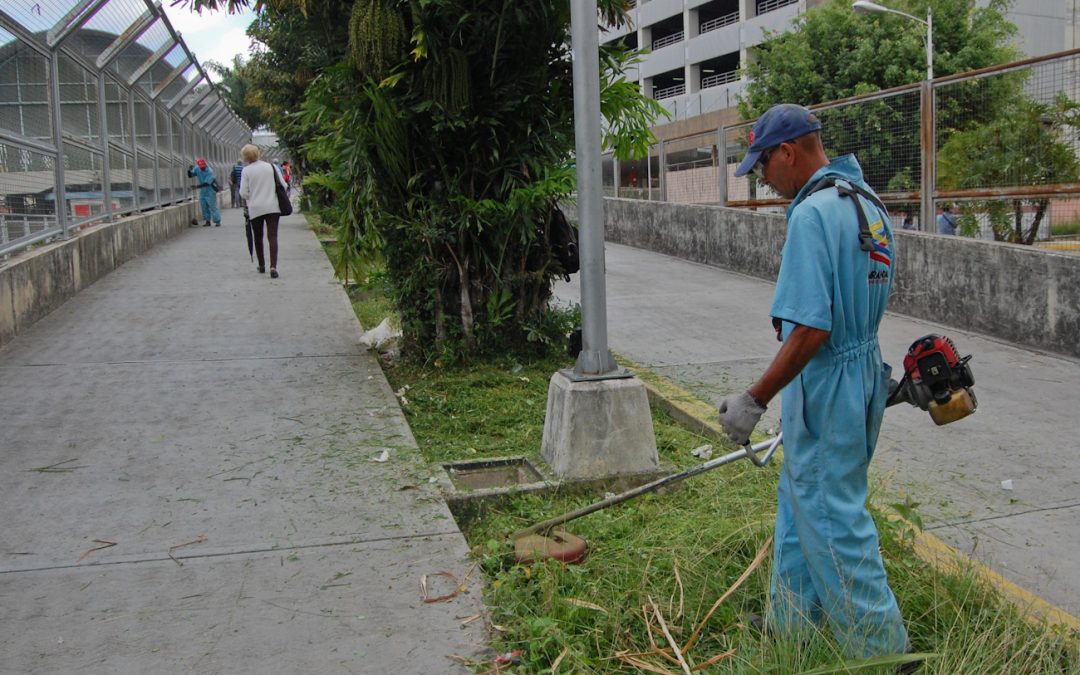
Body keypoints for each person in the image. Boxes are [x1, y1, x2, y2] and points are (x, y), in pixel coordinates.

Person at [717, 104, 908, 660]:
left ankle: (884, 654)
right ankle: (793, 623)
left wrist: (755, 398)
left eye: (763, 166)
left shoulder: (812, 214)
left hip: (825, 382)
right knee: (802, 500)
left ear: (788, 152)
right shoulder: (866, 203)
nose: (764, 180)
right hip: (860, 371)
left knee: (833, 515)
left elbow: (810, 329)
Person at [239, 144, 288, 279]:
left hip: (255, 207)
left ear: (245, 157)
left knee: (258, 236)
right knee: (272, 236)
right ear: (258, 153)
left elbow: (243, 192)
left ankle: (261, 265)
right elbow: (284, 185)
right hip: (273, 206)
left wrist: (252, 197)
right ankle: (273, 267)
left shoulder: (246, 171)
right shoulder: (271, 167)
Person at [188, 158, 221, 227]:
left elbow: (207, 183)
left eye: (203, 167)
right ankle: (207, 221)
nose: (202, 169)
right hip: (203, 191)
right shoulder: (197, 168)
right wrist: (189, 170)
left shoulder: (209, 171)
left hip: (210, 189)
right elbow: (190, 175)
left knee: (213, 206)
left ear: (205, 165)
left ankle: (217, 221)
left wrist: (196, 187)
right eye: (201, 167)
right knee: (204, 206)